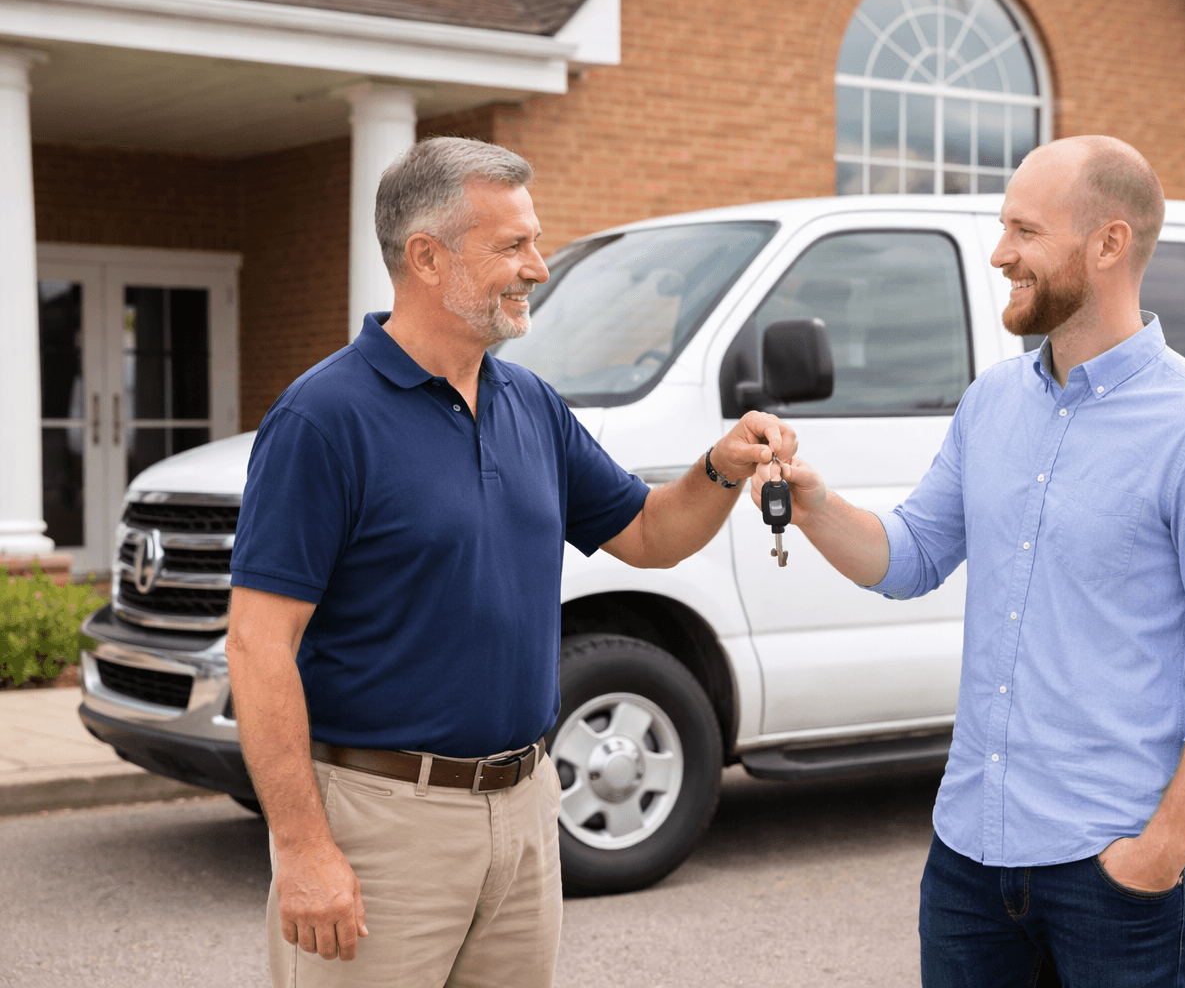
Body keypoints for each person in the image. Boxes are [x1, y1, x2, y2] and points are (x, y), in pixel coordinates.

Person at [226, 136, 795, 988]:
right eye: (513, 245)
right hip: (382, 822)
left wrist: (720, 467)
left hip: (529, 811)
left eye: (535, 242)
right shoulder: (322, 419)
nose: (538, 266)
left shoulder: (529, 402)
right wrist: (303, 848)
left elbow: (648, 532)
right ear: (426, 256)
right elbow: (258, 647)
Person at [761, 135, 1185, 987]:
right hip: (971, 862)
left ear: (1109, 244)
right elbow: (911, 556)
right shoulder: (992, 401)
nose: (1000, 253)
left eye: (1025, 230)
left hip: (1116, 874)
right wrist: (815, 504)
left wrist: (1158, 855)